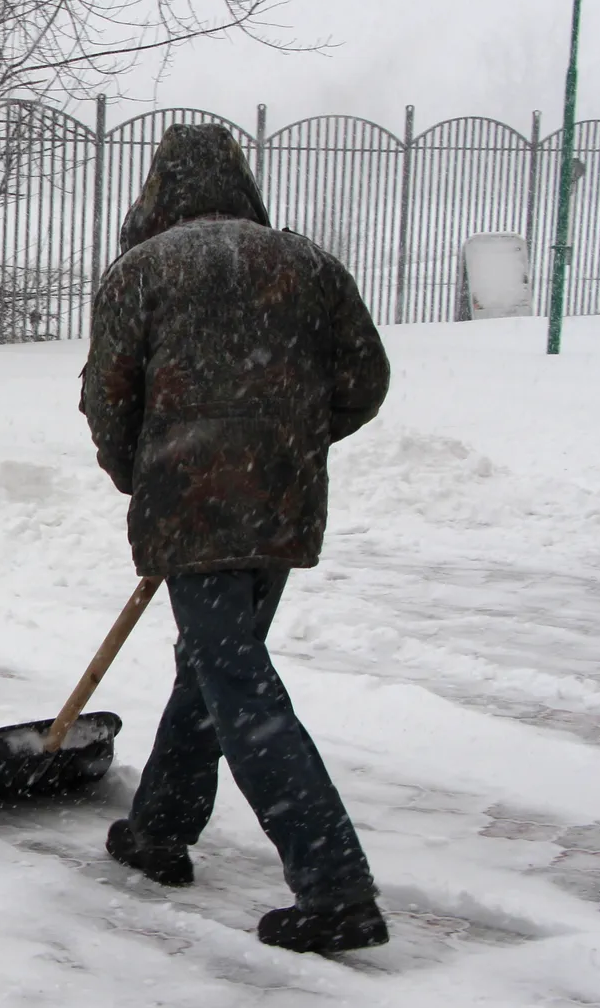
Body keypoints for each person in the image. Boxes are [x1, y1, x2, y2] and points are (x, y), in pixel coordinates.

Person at [79, 123, 392, 954]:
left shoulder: (141, 271)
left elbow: (109, 401)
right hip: (281, 500)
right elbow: (365, 379)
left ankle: (335, 889)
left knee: (236, 678)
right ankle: (159, 830)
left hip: (191, 501)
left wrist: (146, 470)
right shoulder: (307, 264)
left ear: (158, 189)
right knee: (217, 661)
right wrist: (285, 439)